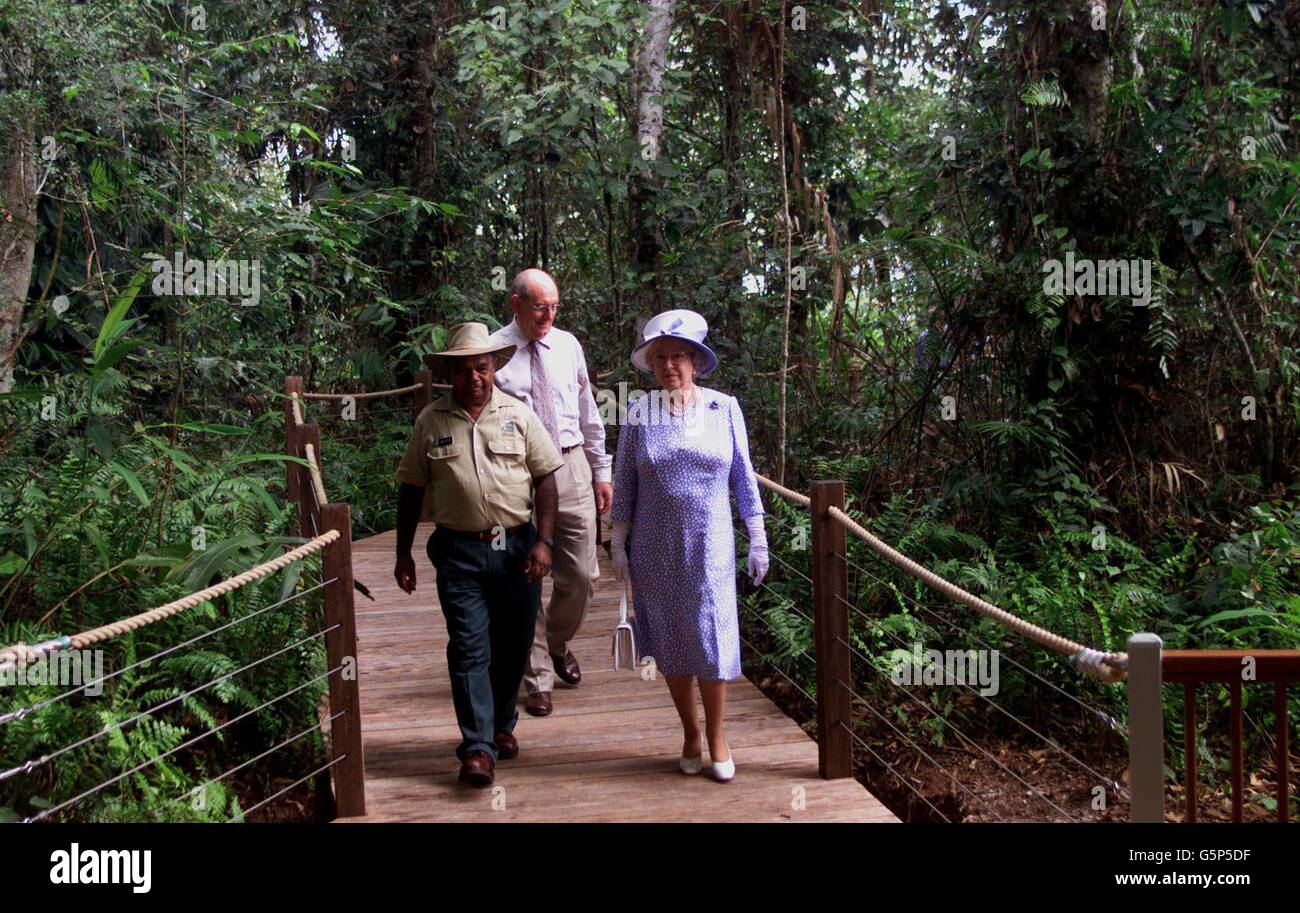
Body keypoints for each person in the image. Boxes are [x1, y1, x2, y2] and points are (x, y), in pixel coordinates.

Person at [392, 322, 564, 788]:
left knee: (512, 646)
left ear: (494, 369)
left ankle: (502, 724)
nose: (474, 377)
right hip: (458, 552)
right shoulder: (431, 420)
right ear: (451, 373)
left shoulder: (519, 415)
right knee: (469, 647)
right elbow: (411, 488)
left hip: (517, 550)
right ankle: (477, 748)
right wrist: (402, 553)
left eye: (482, 368)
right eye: (465, 369)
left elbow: (547, 478)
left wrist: (544, 543)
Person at [609, 309, 768, 782]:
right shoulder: (639, 413)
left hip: (712, 545)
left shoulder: (724, 408)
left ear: (696, 360)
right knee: (672, 639)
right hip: (655, 550)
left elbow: (744, 477)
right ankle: (690, 733)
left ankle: (718, 735)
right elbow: (625, 483)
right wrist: (617, 543)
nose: (669, 365)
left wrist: (757, 537)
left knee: (712, 635)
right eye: (661, 357)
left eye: (679, 355)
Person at [488, 269, 612, 717]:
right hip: (517, 472)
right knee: (525, 576)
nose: (549, 315)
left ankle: (556, 643)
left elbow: (587, 409)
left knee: (582, 575)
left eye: (555, 306)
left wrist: (602, 470)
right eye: (540, 306)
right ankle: (537, 676)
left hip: (571, 462)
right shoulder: (493, 349)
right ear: (515, 303)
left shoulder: (568, 345)